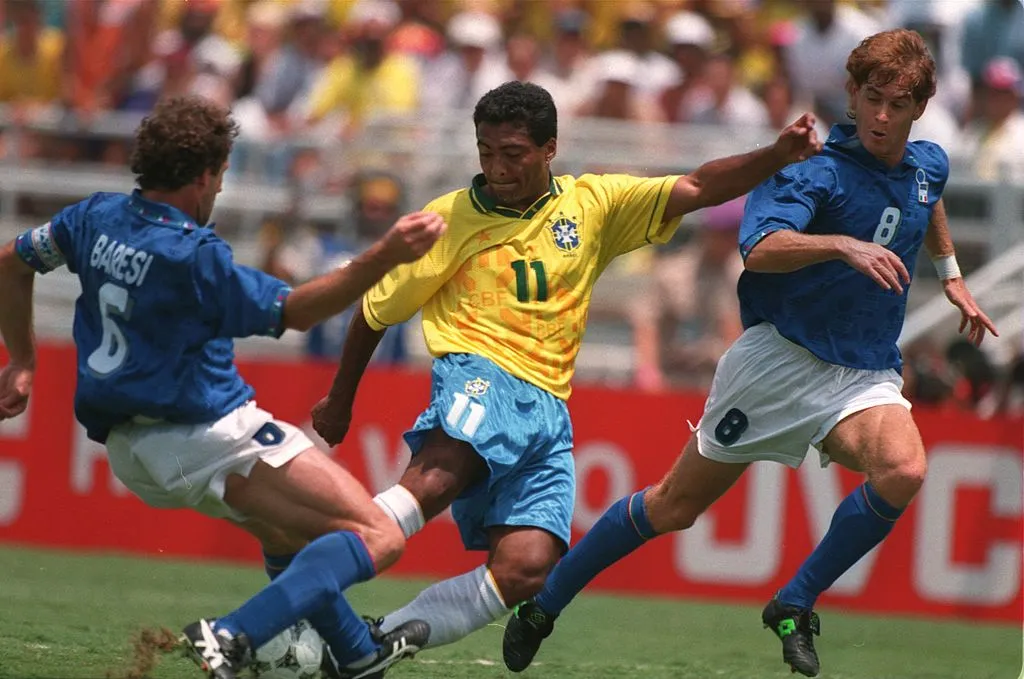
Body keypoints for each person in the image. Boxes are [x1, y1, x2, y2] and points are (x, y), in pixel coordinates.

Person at [501, 30, 999, 678]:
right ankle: (545, 603)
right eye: (871, 98)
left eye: (896, 105)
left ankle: (793, 600)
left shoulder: (929, 162)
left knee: (903, 470)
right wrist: (841, 245)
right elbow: (759, 247)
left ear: (919, 109)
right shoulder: (813, 167)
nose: (881, 116)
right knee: (673, 506)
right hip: (776, 361)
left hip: (863, 371)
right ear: (851, 93)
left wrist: (953, 275)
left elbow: (926, 201)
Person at [310, 80, 822, 656]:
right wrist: (340, 399)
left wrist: (777, 156)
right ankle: (303, 608)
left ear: (549, 148)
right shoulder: (447, 219)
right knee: (436, 477)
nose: (497, 168)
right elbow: (375, 311)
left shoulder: (593, 204)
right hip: (480, 370)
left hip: (547, 406)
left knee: (528, 568)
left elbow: (699, 186)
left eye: (513, 154)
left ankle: (372, 643)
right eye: (486, 152)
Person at [0, 96, 446, 679]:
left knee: (283, 529)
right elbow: (299, 311)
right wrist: (383, 256)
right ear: (206, 175)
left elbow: (12, 260)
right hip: (205, 432)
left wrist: (22, 360)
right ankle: (233, 635)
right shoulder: (193, 255)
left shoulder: (95, 217)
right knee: (378, 534)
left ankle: (355, 653)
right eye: (223, 176)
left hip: (130, 453)